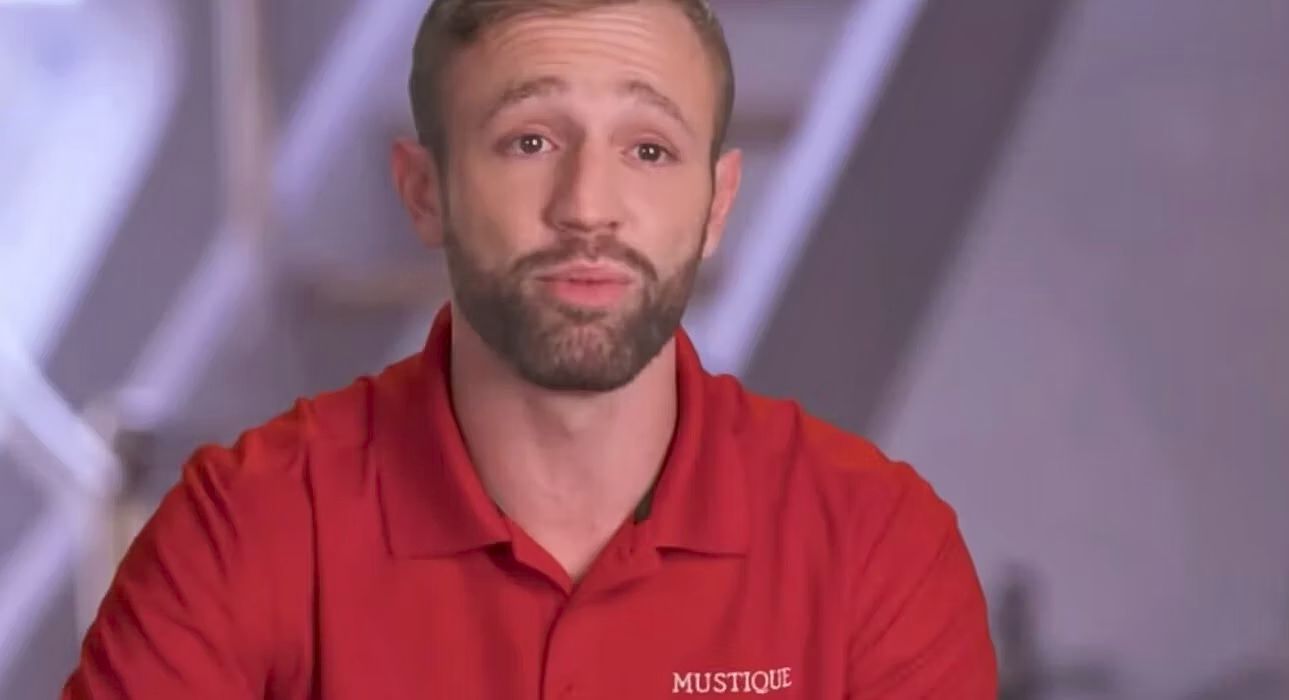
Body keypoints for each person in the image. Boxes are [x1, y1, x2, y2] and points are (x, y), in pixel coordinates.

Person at [62, 0, 996, 697]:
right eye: (530, 140)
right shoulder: (244, 528)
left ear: (716, 205)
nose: (588, 205)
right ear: (424, 191)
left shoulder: (876, 548)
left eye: (649, 151)